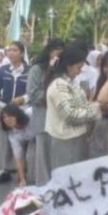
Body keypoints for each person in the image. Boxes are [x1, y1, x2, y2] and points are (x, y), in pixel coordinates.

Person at [46, 45, 101, 169]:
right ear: (68, 65)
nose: (80, 71)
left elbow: (81, 104)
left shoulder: (70, 83)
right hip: (67, 140)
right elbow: (71, 115)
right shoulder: (59, 86)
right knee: (69, 176)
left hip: (76, 137)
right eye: (78, 67)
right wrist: (98, 108)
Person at [0, 42, 30, 184]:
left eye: (15, 50)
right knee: (3, 141)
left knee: (23, 141)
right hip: (5, 110)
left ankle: (22, 171)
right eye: (9, 50)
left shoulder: (29, 71)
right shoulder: (3, 70)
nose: (11, 53)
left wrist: (22, 99)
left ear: (22, 53)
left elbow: (33, 92)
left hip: (22, 111)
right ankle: (6, 169)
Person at [27, 39, 64, 184]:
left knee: (57, 159)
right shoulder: (36, 70)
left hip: (60, 123)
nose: (59, 57)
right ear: (49, 52)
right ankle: (43, 189)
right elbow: (33, 95)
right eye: (57, 53)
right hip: (43, 121)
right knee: (43, 160)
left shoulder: (63, 71)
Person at [0, 104, 36, 187]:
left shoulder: (31, 113)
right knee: (27, 160)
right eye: (4, 117)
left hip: (45, 133)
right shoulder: (12, 134)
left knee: (33, 156)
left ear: (18, 115)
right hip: (32, 138)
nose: (7, 119)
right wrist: (22, 178)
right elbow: (18, 157)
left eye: (10, 116)